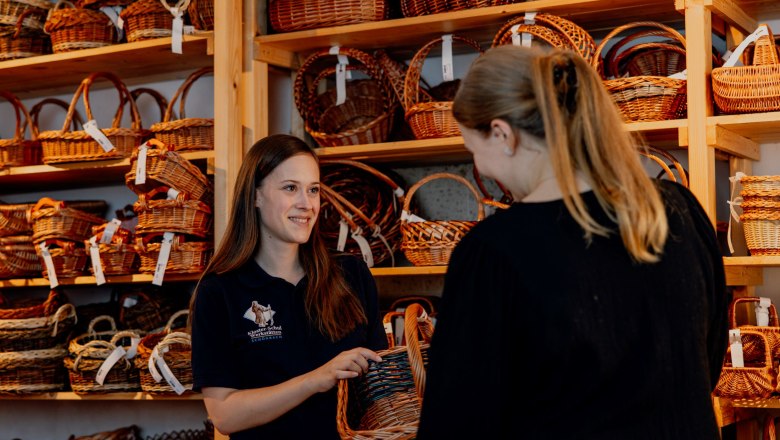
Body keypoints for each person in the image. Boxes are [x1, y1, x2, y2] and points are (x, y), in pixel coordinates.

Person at [416, 45, 728, 439]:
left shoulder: (494, 253)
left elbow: (457, 422)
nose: (480, 167)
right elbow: (705, 363)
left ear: (502, 134)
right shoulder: (678, 210)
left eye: (472, 149)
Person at [190, 134, 387, 439]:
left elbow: (380, 385)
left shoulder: (351, 275)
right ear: (255, 196)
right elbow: (224, 414)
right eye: (290, 188)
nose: (306, 204)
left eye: (313, 190)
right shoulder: (220, 291)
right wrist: (316, 379)